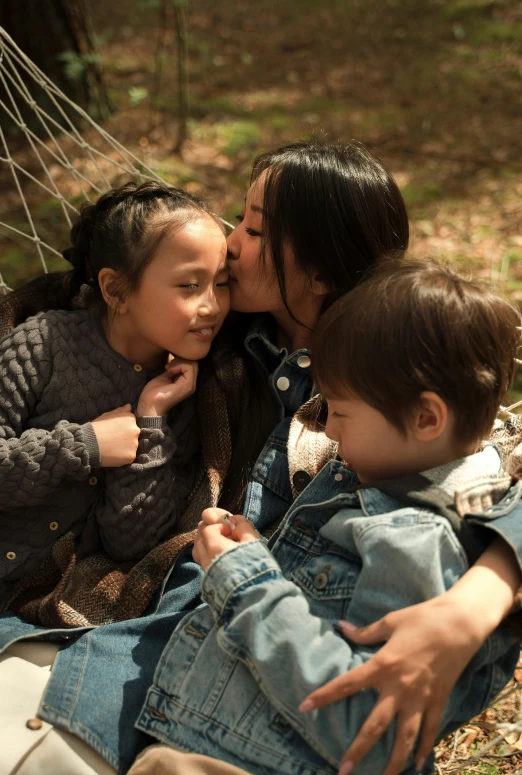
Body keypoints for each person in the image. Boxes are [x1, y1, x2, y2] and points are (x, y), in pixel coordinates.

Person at [0, 141, 520, 775]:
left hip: (276, 668)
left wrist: (477, 602)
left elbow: (493, 465)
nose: (229, 239)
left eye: (252, 226)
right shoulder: (211, 330)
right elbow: (101, 297)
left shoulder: (392, 375)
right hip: (154, 619)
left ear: (321, 269)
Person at [133, 259, 522, 775]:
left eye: (341, 412)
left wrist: (244, 580)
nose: (331, 432)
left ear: (426, 419)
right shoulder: (383, 480)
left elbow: (362, 724)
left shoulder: (419, 540)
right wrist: (259, 552)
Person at [0, 179, 229, 606]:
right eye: (189, 285)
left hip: (41, 605)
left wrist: (152, 418)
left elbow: (130, 542)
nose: (213, 305)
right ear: (115, 290)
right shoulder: (43, 344)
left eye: (222, 283)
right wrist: (85, 444)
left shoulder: (187, 392)